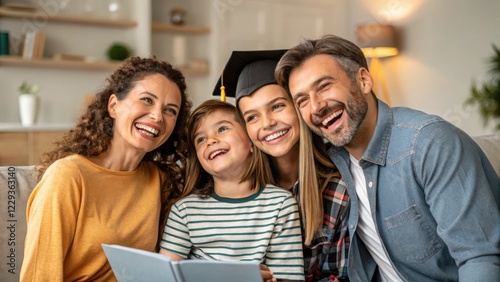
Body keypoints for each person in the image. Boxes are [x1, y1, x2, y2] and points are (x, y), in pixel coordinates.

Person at [275, 34, 500, 281]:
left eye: (324, 86)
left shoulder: (429, 144)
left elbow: (480, 259)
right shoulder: (334, 164)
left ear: (363, 80)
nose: (316, 107)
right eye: (303, 100)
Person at [20, 56, 192, 281]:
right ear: (113, 105)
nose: (157, 116)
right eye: (147, 100)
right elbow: (38, 276)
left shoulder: (160, 180)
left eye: (170, 110)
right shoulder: (68, 176)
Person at [212, 50, 350, 281]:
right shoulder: (234, 189)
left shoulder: (339, 188)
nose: (267, 123)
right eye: (252, 117)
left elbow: (343, 277)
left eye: (276, 106)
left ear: (300, 107)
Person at [159, 99, 305, 282]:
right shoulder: (184, 211)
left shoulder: (281, 204)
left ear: (251, 142)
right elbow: (164, 276)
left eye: (222, 129)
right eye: (200, 139)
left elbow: (287, 278)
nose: (211, 141)